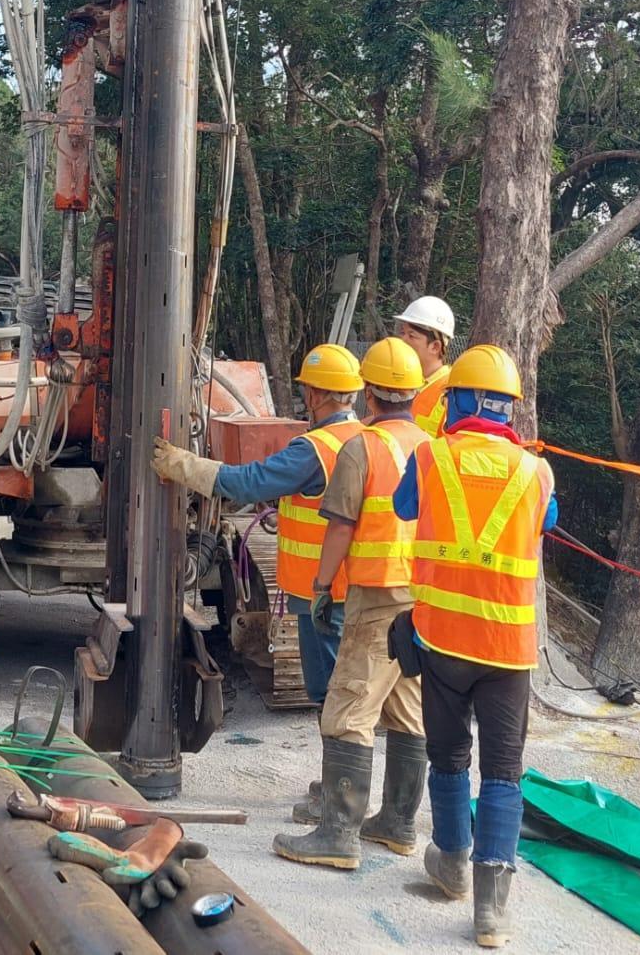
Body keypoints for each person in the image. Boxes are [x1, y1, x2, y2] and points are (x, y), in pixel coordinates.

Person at [392, 344, 556, 949]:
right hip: (508, 651)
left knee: (450, 755)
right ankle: (491, 909)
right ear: (511, 409)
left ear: (453, 399)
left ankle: (453, 863)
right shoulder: (535, 471)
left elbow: (403, 506)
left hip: (442, 642)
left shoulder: (432, 457)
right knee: (505, 770)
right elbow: (549, 520)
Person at [276, 337, 429, 871]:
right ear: (412, 392)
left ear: (369, 394)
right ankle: (398, 823)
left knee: (347, 709)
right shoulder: (430, 446)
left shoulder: (361, 448)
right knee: (407, 708)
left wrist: (320, 585)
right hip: (420, 600)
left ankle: (338, 834)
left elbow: (340, 527)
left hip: (375, 595)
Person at [152, 344, 364, 712]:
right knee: (348, 694)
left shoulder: (315, 450)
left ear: (314, 394)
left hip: (325, 592)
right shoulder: (367, 439)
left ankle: (342, 770)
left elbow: (250, 482)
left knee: (332, 697)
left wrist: (185, 466)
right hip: (362, 585)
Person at [396, 295, 455, 437]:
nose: (402, 340)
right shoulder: (400, 380)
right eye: (402, 333)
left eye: (412, 335)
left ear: (435, 346)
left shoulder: (451, 390)